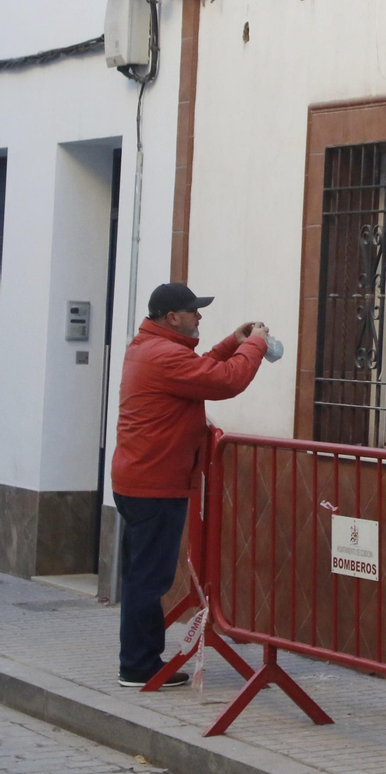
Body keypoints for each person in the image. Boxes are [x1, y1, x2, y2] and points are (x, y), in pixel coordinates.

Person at [111, 283, 269, 688]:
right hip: (156, 482)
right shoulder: (163, 356)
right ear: (172, 318)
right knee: (150, 578)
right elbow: (224, 381)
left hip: (140, 478)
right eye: (193, 311)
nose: (199, 316)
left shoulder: (150, 347)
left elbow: (198, 368)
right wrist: (256, 345)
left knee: (142, 574)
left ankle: (139, 658)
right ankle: (139, 665)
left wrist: (233, 341)